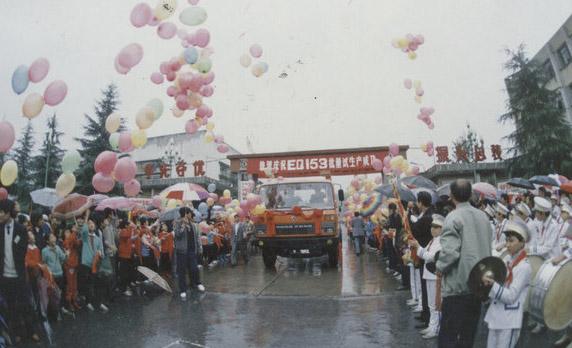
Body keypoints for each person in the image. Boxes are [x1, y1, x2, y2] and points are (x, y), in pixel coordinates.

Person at [436, 179, 492, 348]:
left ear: (451, 196)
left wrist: (438, 267)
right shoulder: (483, 216)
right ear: (470, 194)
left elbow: (450, 253)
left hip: (457, 287)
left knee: (448, 336)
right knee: (468, 335)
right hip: (478, 284)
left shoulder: (453, 217)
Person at [482, 220, 532, 348]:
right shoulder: (507, 259)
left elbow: (511, 297)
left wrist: (493, 285)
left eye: (512, 241)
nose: (508, 244)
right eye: (507, 240)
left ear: (522, 243)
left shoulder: (524, 267)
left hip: (509, 319)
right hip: (496, 314)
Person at [0, 199, 40, 343]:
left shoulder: (21, 229)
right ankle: (16, 332)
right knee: (11, 306)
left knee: (25, 304)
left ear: (8, 213)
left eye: (1, 212)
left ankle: (32, 331)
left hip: (19, 274)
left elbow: (23, 251)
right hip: (5, 276)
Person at [410, 214, 444, 339]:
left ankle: (436, 328)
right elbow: (425, 252)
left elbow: (430, 256)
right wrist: (418, 246)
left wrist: (418, 247)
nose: (433, 229)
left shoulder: (441, 241)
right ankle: (431, 326)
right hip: (429, 274)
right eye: (432, 226)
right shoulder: (432, 240)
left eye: (436, 227)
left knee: (436, 304)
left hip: (436, 276)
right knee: (430, 304)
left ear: (442, 229)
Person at [409, 192, 434, 330]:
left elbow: (415, 230)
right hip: (424, 251)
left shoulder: (427, 217)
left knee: (426, 287)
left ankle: (428, 317)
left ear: (420, 202)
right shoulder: (427, 215)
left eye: (417, 202)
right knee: (424, 286)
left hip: (426, 252)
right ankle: (425, 313)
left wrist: (408, 218)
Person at [79, 211, 107, 312]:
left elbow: (102, 252)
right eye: (89, 223)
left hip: (96, 264)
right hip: (86, 264)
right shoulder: (85, 237)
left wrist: (100, 254)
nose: (91, 225)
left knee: (97, 284)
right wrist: (86, 217)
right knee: (88, 284)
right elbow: (84, 231)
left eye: (92, 223)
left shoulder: (98, 239)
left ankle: (99, 303)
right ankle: (88, 302)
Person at [174, 207, 204, 299]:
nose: (192, 215)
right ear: (186, 214)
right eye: (190, 213)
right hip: (182, 252)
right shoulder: (177, 223)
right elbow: (177, 235)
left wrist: (199, 248)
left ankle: (197, 283)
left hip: (192, 251)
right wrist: (183, 225)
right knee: (182, 271)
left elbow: (196, 237)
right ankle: (183, 289)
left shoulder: (193, 224)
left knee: (194, 268)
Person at [62, 226, 81, 311]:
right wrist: (74, 232)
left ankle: (74, 300)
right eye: (66, 232)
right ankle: (69, 302)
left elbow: (77, 243)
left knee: (74, 284)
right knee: (70, 285)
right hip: (69, 265)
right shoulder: (66, 241)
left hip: (74, 264)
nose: (68, 234)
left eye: (68, 232)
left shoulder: (72, 240)